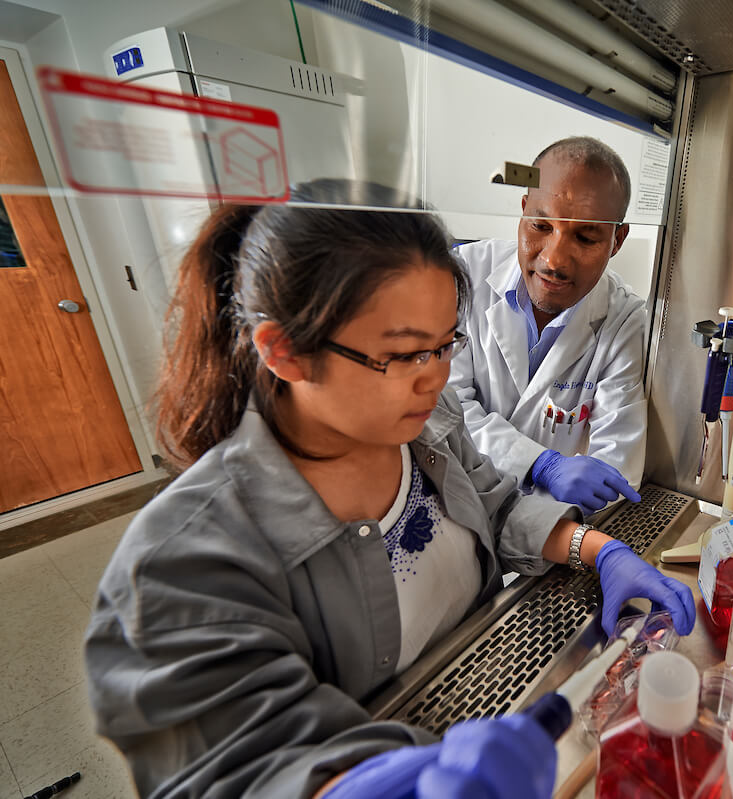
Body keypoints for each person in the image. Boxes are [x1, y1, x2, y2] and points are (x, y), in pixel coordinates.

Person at [83, 180, 695, 799]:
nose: (435, 377)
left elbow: (496, 503)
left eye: (444, 344)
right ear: (285, 352)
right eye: (402, 355)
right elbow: (241, 771)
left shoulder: (425, 426)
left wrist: (599, 549)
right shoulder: (182, 564)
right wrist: (382, 785)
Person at [450, 136, 647, 516]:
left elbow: (615, 473)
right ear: (523, 210)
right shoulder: (464, 276)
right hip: (454, 515)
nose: (554, 260)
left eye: (586, 237)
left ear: (617, 240)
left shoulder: (623, 320)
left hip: (550, 540)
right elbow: (444, 411)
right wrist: (541, 465)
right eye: (541, 225)